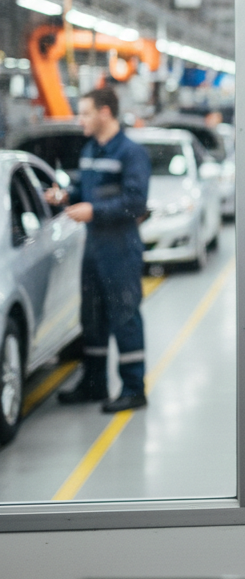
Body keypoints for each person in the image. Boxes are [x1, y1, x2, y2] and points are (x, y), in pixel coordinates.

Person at [46, 86, 152, 412]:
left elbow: (135, 203)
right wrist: (67, 196)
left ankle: (134, 388)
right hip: (93, 249)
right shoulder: (91, 149)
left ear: (105, 112)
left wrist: (94, 210)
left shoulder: (131, 153)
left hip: (121, 250)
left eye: (85, 113)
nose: (81, 120)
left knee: (124, 316)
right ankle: (94, 385)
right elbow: (85, 189)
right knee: (91, 318)